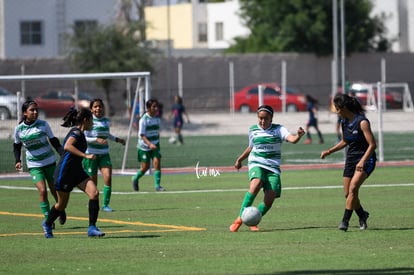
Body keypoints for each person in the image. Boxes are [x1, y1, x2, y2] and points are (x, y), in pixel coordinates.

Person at [229, 105, 305, 232]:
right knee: (256, 184)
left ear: (271, 118)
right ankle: (239, 220)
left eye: (266, 118)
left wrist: (298, 135)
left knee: (270, 198)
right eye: (260, 118)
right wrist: (239, 159)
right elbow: (250, 147)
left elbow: (292, 139)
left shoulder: (279, 129)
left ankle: (253, 219)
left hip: (273, 167)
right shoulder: (253, 130)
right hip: (256, 162)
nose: (263, 121)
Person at [42, 108, 105, 238]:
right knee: (61, 205)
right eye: (91, 120)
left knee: (94, 193)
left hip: (77, 172)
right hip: (64, 173)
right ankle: (47, 224)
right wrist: (85, 156)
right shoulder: (76, 132)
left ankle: (92, 228)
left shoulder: (81, 133)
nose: (92, 123)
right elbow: (67, 146)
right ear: (86, 120)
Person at [320, 93, 376, 232]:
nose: (336, 111)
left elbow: (372, 145)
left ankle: (345, 221)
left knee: (353, 189)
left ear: (343, 108)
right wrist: (329, 151)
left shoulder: (362, 122)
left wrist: (362, 161)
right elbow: (345, 141)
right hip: (351, 159)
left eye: (337, 108)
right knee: (347, 193)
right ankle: (362, 215)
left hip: (366, 159)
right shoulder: (343, 121)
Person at [13, 100, 66, 227]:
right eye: (32, 110)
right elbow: (16, 146)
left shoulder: (43, 124)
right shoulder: (19, 129)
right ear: (25, 113)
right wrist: (18, 160)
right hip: (34, 165)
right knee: (42, 191)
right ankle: (49, 219)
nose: (35, 112)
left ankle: (61, 209)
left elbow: (54, 141)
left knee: (55, 190)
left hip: (49, 162)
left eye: (36, 110)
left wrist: (64, 155)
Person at [83, 99, 126, 212]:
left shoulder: (106, 121)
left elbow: (107, 135)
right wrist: (96, 140)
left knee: (108, 177)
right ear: (91, 109)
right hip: (91, 155)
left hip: (104, 154)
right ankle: (92, 203)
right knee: (93, 182)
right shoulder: (88, 121)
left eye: (100, 106)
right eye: (95, 106)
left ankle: (105, 205)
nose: (98, 108)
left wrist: (117, 139)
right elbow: (85, 138)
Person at [132, 98, 165, 192]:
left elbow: (157, 132)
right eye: (154, 106)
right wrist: (150, 144)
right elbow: (142, 135)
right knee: (145, 167)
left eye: (156, 106)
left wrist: (157, 143)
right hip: (144, 147)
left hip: (155, 145)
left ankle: (157, 186)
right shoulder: (143, 120)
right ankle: (135, 178)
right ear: (148, 108)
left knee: (157, 164)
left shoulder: (157, 119)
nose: (156, 108)